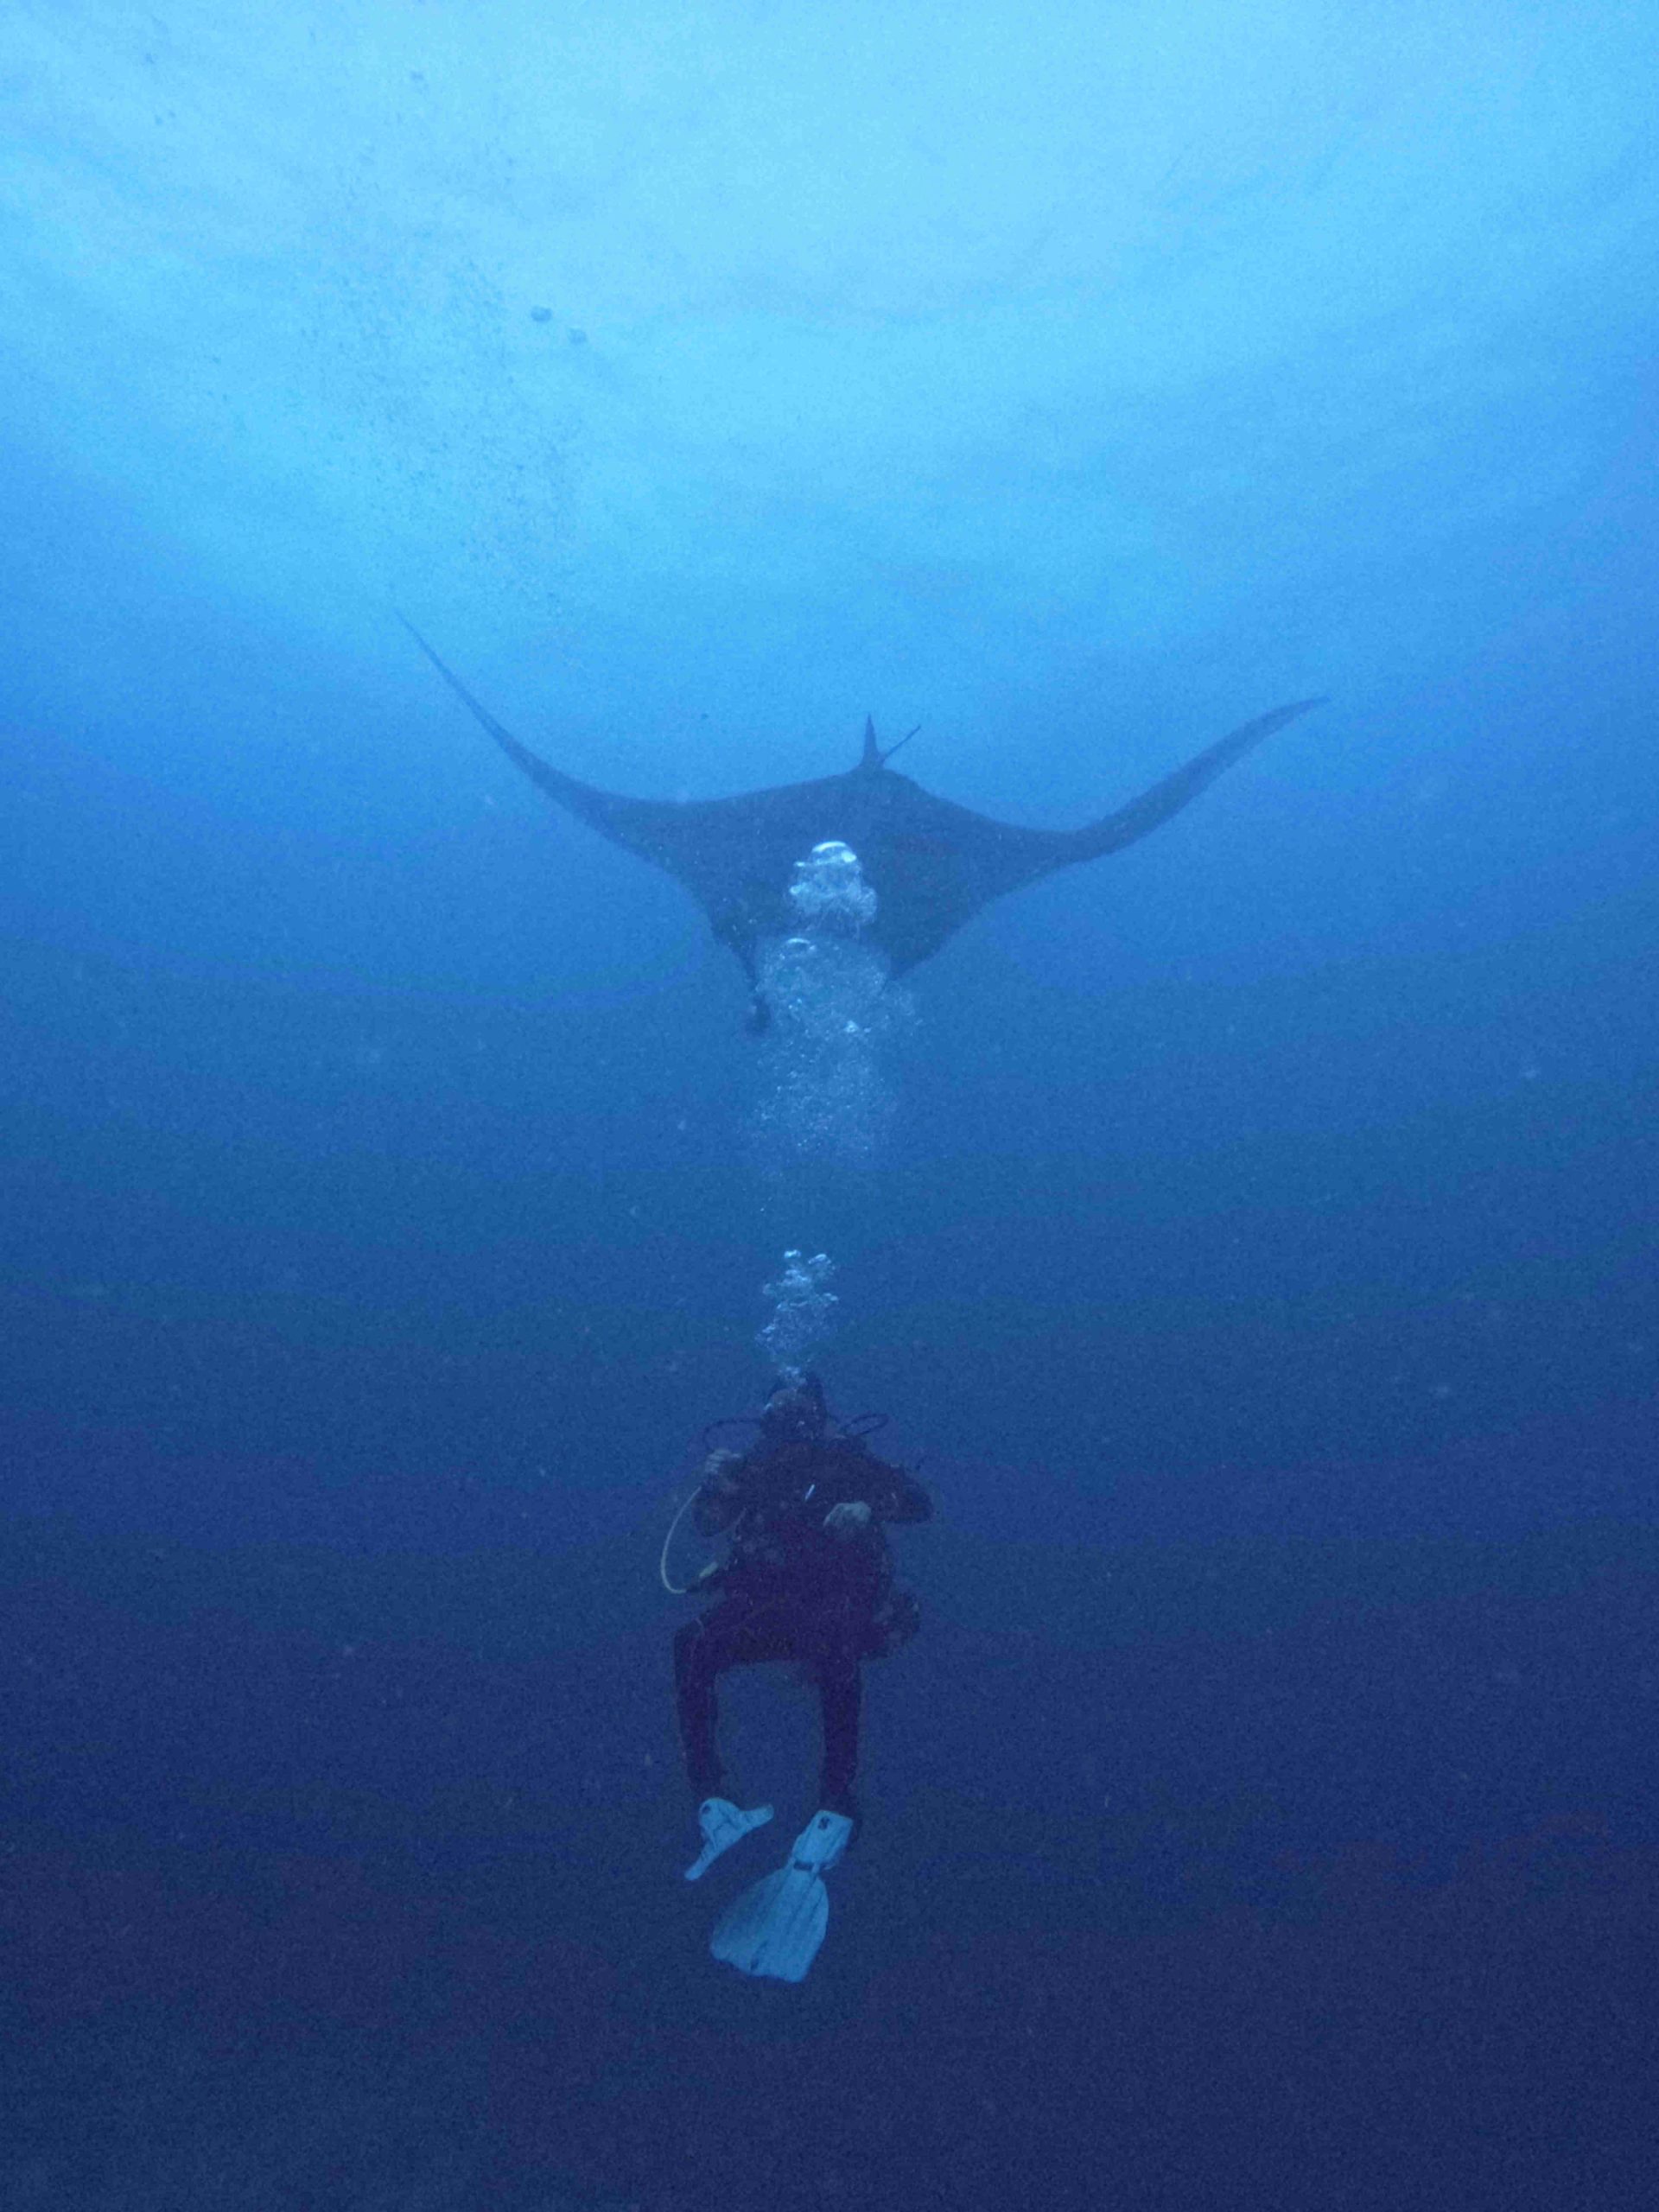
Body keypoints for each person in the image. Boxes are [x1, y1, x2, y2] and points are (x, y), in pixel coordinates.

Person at [671, 1371, 930, 1903]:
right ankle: (711, 1799)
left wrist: (869, 1507)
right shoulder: (751, 1469)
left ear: (819, 1414)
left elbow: (918, 1503)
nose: (787, 1420)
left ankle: (836, 1803)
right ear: (765, 1417)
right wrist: (713, 1485)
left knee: (836, 1649)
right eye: (777, 1411)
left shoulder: (849, 1461)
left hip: (832, 1610)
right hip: (765, 1611)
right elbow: (705, 1526)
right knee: (692, 1643)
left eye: (798, 1410)